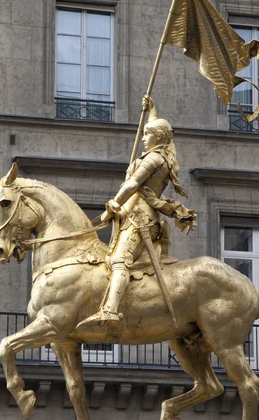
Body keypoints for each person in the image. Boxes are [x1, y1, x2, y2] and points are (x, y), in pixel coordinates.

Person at [76, 96, 196, 330]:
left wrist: (114, 201)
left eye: (147, 134)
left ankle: (110, 310)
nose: (142, 138)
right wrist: (152, 111)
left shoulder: (153, 158)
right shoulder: (158, 154)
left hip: (139, 217)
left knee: (120, 261)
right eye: (143, 134)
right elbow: (156, 131)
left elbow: (132, 185)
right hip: (132, 212)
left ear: (158, 138)